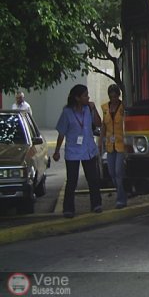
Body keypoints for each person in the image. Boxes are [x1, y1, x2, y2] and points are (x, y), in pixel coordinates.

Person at [52, 84, 102, 218]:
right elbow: (61, 133)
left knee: (93, 179)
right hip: (73, 151)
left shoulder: (88, 109)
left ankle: (96, 204)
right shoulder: (67, 112)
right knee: (72, 181)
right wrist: (57, 151)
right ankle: (68, 209)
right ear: (77, 98)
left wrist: (94, 108)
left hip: (88, 149)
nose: (88, 97)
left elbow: (98, 123)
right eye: (85, 95)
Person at [100, 84, 127, 209]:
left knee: (118, 172)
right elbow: (104, 125)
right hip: (110, 145)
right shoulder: (105, 108)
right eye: (111, 97)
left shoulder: (123, 108)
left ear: (118, 95)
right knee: (111, 172)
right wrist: (101, 140)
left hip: (121, 145)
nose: (113, 99)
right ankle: (122, 191)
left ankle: (121, 199)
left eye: (115, 96)